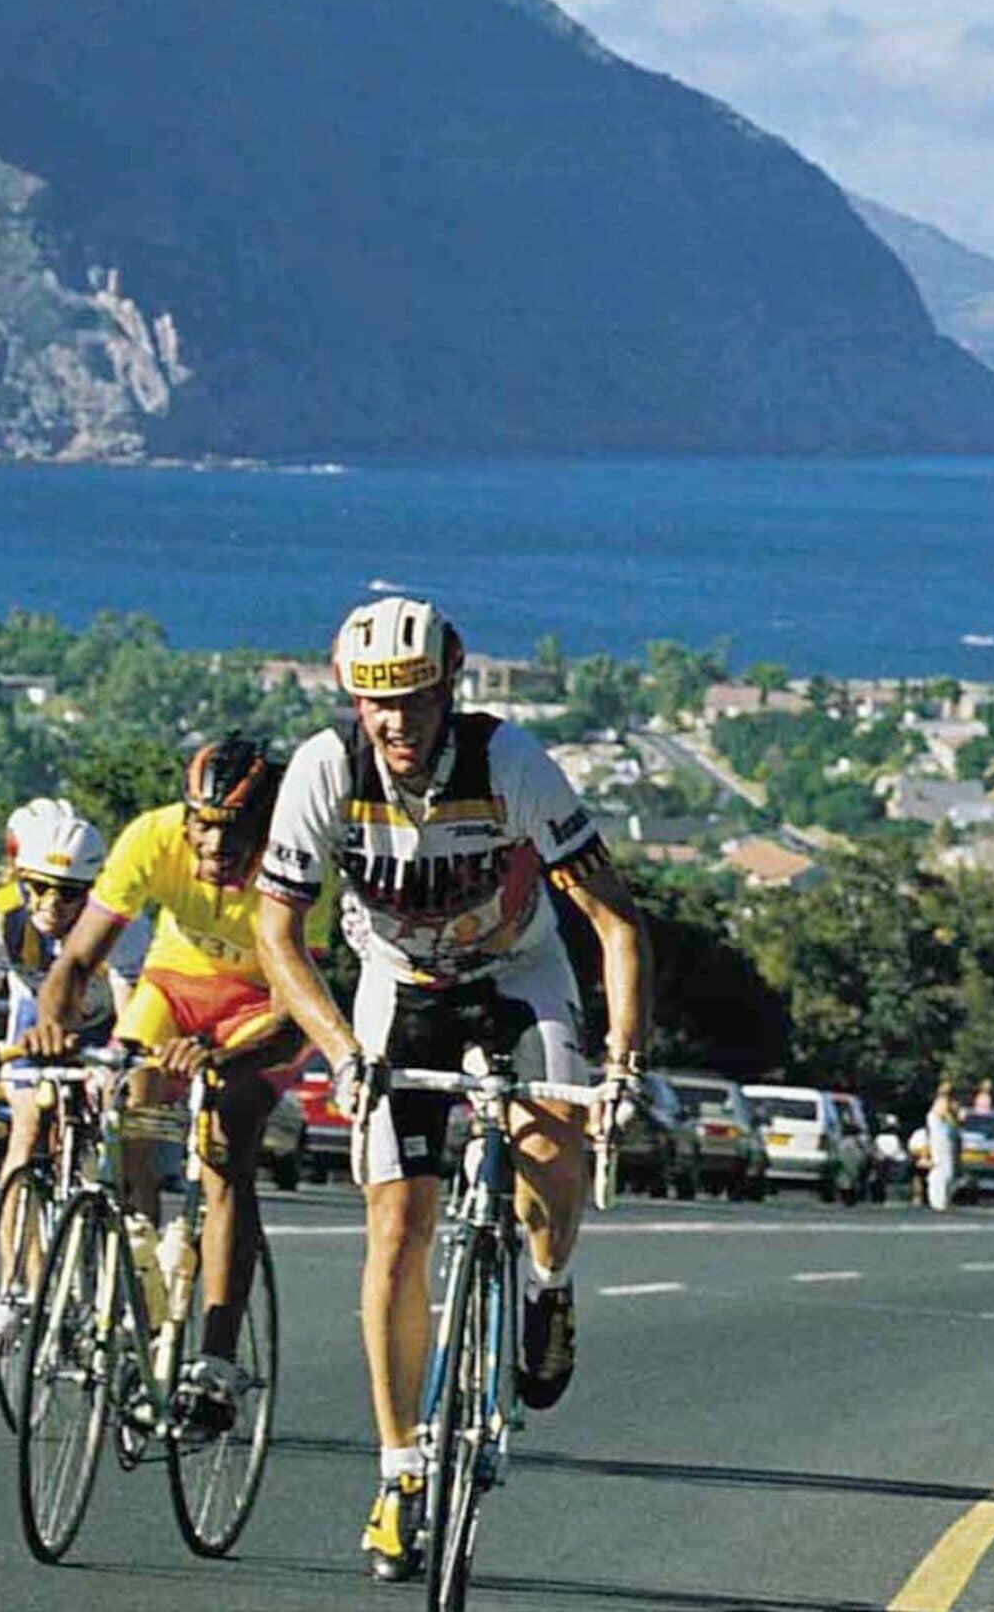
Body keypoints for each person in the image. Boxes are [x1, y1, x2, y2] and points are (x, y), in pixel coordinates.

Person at [247, 597, 649, 1583]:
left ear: (449, 691)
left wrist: (623, 1066)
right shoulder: (324, 771)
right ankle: (399, 1474)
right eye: (374, 703)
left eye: (415, 700)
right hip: (399, 989)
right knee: (395, 1233)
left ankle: (548, 1291)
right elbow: (274, 932)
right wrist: (340, 1048)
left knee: (553, 1156)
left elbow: (616, 925)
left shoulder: (509, 763)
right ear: (351, 701)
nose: (396, 723)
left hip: (518, 975)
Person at [30, 735, 310, 1436]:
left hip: (262, 1008)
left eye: (232, 832)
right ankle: (141, 1270)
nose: (212, 845)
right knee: (126, 1100)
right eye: (201, 824)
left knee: (224, 1144)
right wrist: (52, 1025)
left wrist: (222, 1057)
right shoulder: (151, 837)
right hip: (173, 989)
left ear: (264, 826)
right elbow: (75, 961)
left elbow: (292, 1010)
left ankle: (215, 1363)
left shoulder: (299, 860)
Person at [0, 797, 144, 1196]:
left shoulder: (122, 924)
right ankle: (18, 1254)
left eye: (69, 894)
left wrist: (114, 1072)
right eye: (38, 887)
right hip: (32, 1023)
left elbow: (131, 1017)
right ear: (20, 879)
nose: (52, 904)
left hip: (104, 1024)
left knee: (125, 1139)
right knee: (29, 1123)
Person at [922, 1084, 960, 1212]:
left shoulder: (941, 1103)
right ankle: (938, 1201)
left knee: (943, 1169)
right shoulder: (942, 1102)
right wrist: (956, 1119)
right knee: (943, 1169)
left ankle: (939, 1200)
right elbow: (949, 1119)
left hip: (940, 1139)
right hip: (940, 1140)